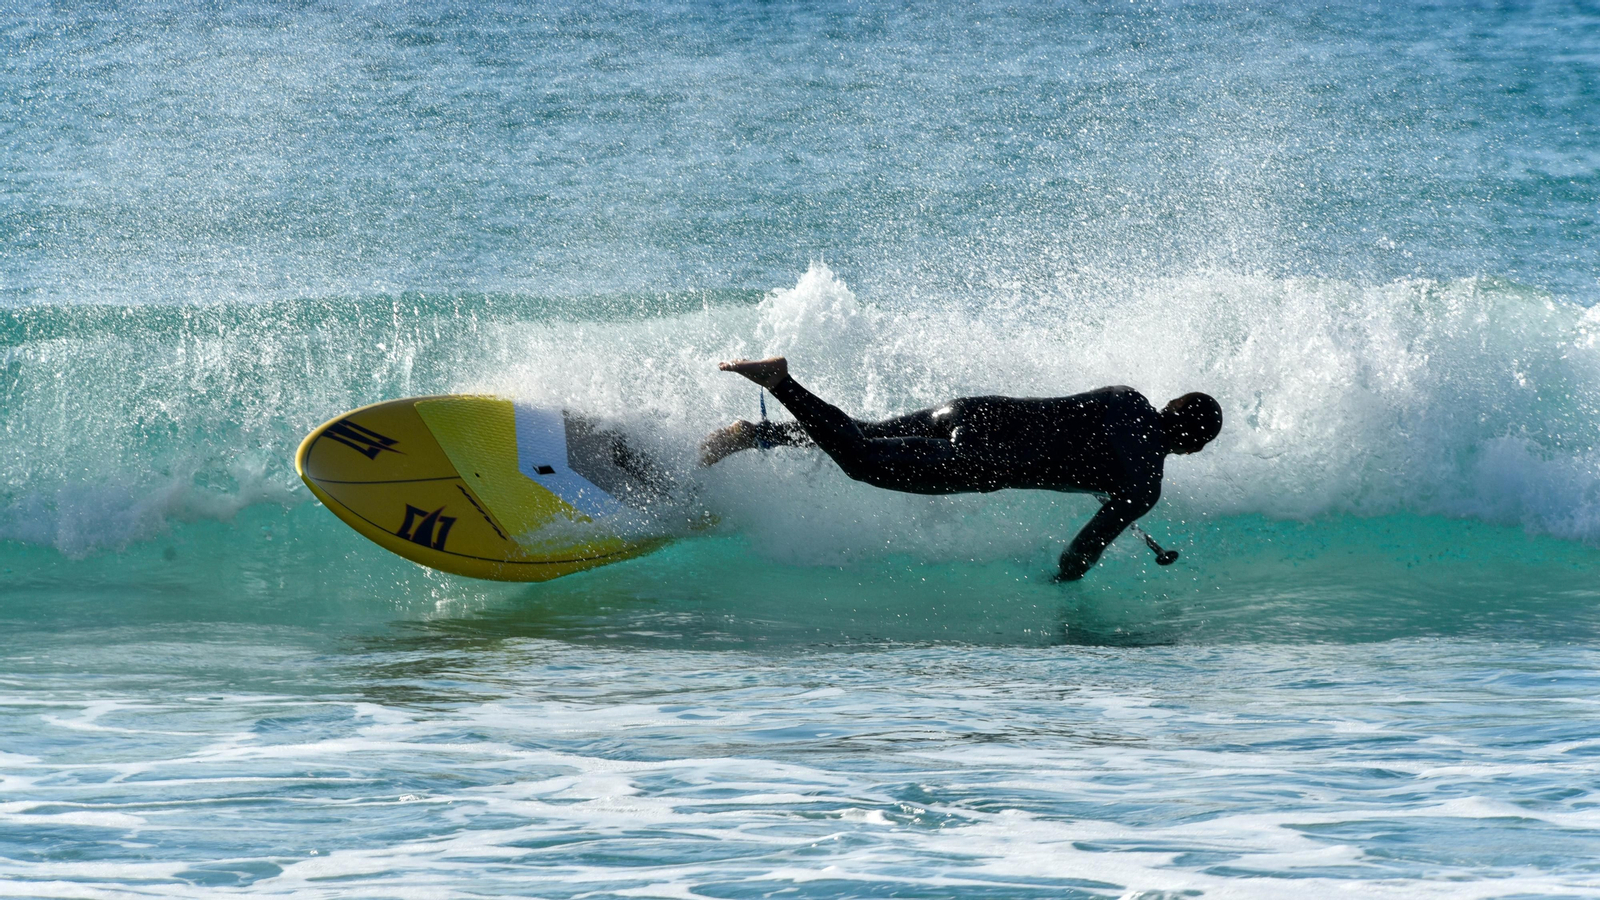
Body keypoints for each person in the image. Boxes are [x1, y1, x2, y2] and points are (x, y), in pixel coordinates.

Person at [702, 357, 1222, 581]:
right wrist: (1062, 584)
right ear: (1194, 449)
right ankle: (780, 383)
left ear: (1169, 404)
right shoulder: (1143, 484)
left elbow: (1075, 435)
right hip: (978, 461)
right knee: (859, 461)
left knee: (863, 432)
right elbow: (1079, 554)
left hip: (976, 412)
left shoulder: (1127, 399)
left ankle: (757, 435)